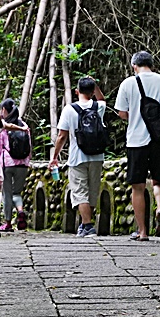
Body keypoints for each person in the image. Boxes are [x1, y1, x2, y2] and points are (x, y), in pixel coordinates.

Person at [113, 51, 160, 239]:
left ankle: (142, 231)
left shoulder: (128, 83)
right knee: (158, 180)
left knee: (138, 186)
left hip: (136, 140)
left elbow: (121, 113)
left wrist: (135, 115)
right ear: (152, 65)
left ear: (134, 66)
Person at [49, 77, 109, 237]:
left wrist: (54, 156)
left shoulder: (70, 109)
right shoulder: (99, 107)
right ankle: (84, 224)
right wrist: (95, 85)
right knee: (92, 191)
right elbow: (102, 99)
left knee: (80, 191)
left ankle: (88, 226)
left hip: (77, 157)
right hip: (97, 156)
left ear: (77, 92)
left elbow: (62, 136)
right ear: (92, 91)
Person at [0, 98, 32, 232]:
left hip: (8, 164)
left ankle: (8, 223)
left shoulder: (3, 128)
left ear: (4, 110)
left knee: (7, 194)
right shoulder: (24, 125)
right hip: (23, 164)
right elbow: (30, 148)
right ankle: (20, 211)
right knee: (17, 192)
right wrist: (27, 161)